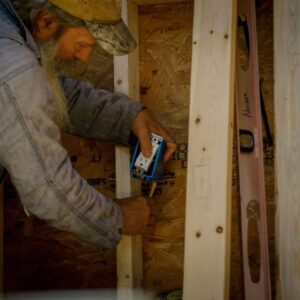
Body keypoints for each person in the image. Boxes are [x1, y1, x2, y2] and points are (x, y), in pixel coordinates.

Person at [0, 0, 177, 248]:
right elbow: (49, 189)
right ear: (46, 21)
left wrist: (129, 116)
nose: (84, 58)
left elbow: (52, 96)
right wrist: (121, 218)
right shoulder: (14, 68)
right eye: (82, 45)